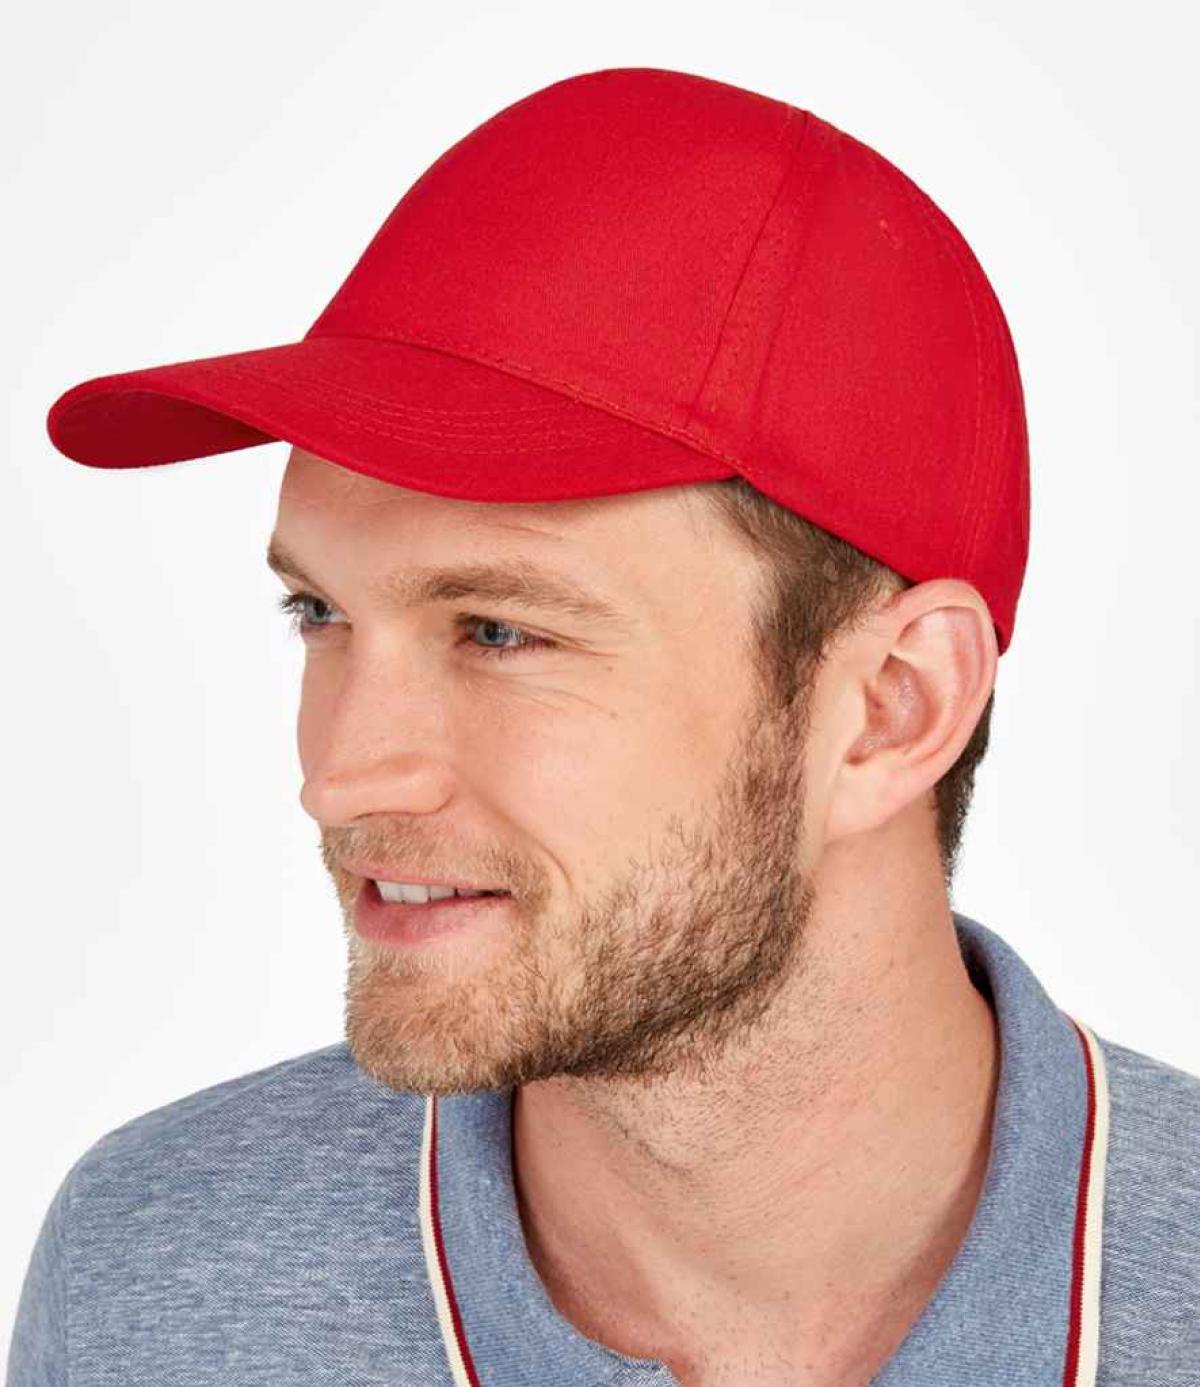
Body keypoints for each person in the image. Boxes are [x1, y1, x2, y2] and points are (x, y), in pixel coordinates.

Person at [8, 65, 1198, 1387]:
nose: (342, 777)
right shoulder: (155, 1280)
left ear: (891, 708)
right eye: (319, 611)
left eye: (498, 631)